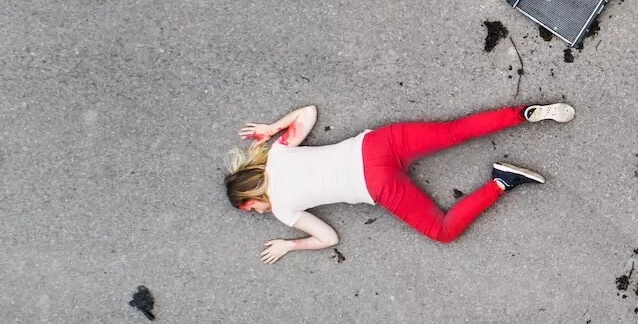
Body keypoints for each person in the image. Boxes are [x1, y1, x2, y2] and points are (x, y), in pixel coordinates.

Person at [224, 102, 575, 262]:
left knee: (443, 231)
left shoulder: (284, 210)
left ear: (249, 199)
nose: (258, 213)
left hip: (377, 185)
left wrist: (290, 245)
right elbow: (308, 113)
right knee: (455, 131)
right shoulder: (277, 154)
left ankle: (501, 181)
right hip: (377, 144)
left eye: (253, 211)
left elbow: (329, 238)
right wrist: (272, 129)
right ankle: (525, 113)